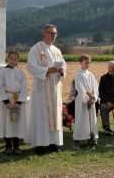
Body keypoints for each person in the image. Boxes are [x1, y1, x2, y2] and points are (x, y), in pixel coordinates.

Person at [26, 24, 67, 154]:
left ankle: (54, 143)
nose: (53, 35)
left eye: (55, 33)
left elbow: (64, 65)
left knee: (55, 115)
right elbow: (31, 67)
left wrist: (61, 70)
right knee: (42, 116)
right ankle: (41, 144)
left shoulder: (57, 50)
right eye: (50, 33)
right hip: (42, 89)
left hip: (55, 88)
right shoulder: (36, 49)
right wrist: (47, 70)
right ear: (44, 33)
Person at [0, 51, 27, 155]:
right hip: (7, 100)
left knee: (17, 123)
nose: (13, 61)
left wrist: (19, 102)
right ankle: (8, 146)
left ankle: (17, 146)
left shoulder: (21, 72)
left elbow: (24, 87)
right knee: (7, 123)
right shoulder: (2, 72)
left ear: (18, 60)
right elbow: (0, 87)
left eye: (15, 59)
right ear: (7, 59)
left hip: (17, 99)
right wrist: (6, 102)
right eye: (11, 58)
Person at [72, 55, 99, 150]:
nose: (87, 64)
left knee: (91, 120)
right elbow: (79, 87)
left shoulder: (90, 74)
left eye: (88, 63)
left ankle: (92, 138)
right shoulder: (78, 74)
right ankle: (77, 139)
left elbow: (95, 86)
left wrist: (93, 98)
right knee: (81, 119)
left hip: (91, 100)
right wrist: (87, 99)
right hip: (82, 100)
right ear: (80, 63)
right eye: (85, 62)